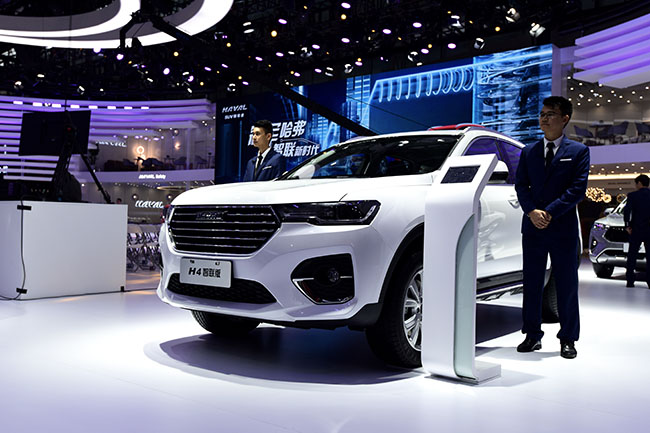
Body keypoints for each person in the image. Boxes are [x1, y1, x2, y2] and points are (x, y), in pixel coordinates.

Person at [514, 96, 590, 359]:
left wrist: (548, 212)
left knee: (567, 285)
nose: (544, 118)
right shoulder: (529, 151)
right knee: (532, 283)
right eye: (542, 114)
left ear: (564, 118)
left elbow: (577, 190)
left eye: (550, 114)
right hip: (533, 227)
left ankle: (568, 339)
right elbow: (521, 186)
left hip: (562, 229)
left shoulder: (578, 151)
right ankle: (532, 335)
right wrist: (531, 212)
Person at [623, 174, 650, 289]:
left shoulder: (633, 196)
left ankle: (630, 281)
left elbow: (627, 211)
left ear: (639, 183)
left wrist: (627, 225)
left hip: (636, 229)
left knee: (632, 256)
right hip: (649, 229)